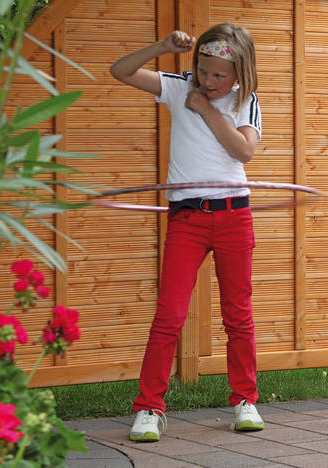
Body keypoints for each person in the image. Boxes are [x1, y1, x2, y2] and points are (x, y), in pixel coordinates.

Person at [110, 23, 264, 441]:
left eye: (219, 75)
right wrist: (161, 47)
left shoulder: (245, 102)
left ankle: (244, 400)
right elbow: (119, 71)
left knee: (238, 315)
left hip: (235, 216)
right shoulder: (178, 87)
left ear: (239, 75)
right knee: (169, 315)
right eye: (203, 70)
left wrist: (206, 108)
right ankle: (148, 408)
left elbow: (244, 151)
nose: (209, 81)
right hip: (187, 219)